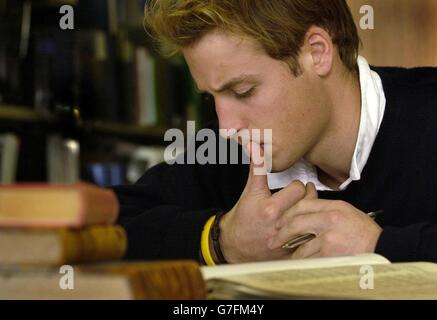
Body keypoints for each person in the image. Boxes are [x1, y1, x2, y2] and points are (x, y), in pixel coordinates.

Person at [112, 0, 437, 264]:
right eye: (211, 97)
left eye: (243, 91)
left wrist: (380, 245)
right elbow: (104, 228)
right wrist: (222, 241)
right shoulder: (227, 150)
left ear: (317, 52)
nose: (227, 129)